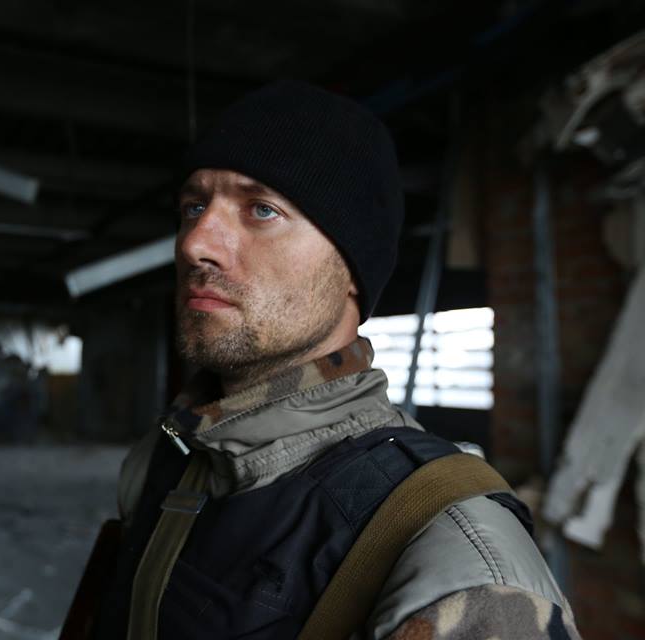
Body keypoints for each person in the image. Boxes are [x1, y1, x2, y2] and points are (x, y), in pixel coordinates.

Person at [90, 80, 579, 639]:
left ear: (351, 269)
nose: (194, 243)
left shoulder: (456, 561)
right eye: (194, 206)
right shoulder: (165, 458)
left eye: (262, 210)